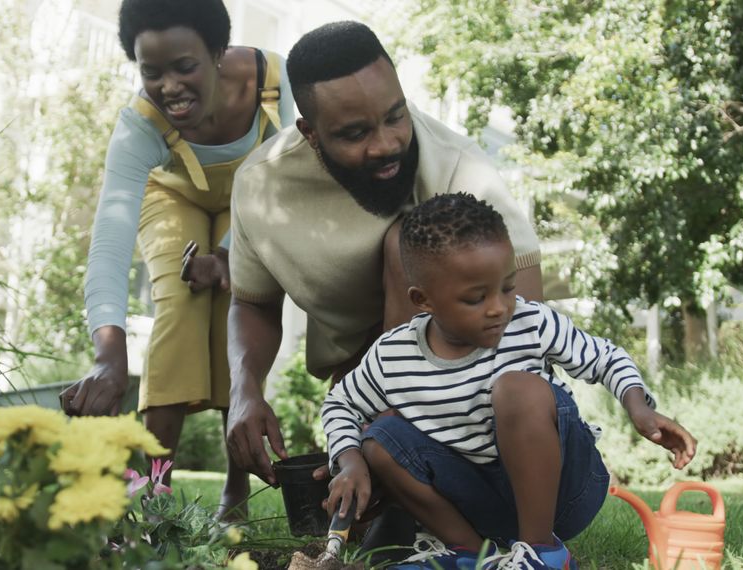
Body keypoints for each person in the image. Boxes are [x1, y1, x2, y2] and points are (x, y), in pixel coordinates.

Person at [223, 21, 542, 489]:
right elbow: (253, 302)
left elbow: (523, 315)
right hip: (359, 374)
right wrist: (244, 389)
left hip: (462, 378)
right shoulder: (260, 187)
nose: (388, 143)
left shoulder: (458, 166)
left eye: (396, 116)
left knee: (406, 241)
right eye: (355, 133)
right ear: (310, 133)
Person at [320, 193, 698, 569]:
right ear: (424, 300)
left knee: (517, 388)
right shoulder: (393, 355)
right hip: (476, 505)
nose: (499, 307)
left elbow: (606, 357)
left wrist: (640, 409)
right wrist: (349, 460)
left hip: (563, 495)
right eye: (476, 298)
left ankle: (543, 554)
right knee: (378, 440)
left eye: (507, 286)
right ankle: (469, 555)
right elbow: (340, 403)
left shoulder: (531, 323)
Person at [59, 0, 296, 518]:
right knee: (179, 302)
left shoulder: (273, 84)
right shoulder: (139, 124)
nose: (168, 87)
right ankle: (151, 489)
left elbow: (283, 184)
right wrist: (109, 355)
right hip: (174, 195)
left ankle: (236, 487)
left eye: (184, 67)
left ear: (217, 53)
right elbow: (110, 239)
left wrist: (230, 254)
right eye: (152, 72)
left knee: (243, 302)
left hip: (253, 196)